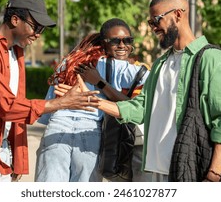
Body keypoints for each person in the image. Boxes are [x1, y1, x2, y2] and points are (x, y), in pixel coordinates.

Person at [81, 0, 221, 182]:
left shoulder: (213, 59)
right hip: (157, 169)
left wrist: (214, 174)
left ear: (178, 14)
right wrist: (94, 102)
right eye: (150, 23)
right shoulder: (160, 64)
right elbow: (140, 108)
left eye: (156, 20)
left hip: (193, 168)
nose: (153, 28)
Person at [0, 0, 99, 182]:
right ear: (15, 20)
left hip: (2, 154)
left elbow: (17, 106)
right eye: (36, 27)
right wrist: (61, 103)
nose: (38, 35)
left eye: (42, 29)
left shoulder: (14, 52)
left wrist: (17, 157)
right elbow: (8, 106)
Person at [35, 18, 149, 182]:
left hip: (57, 128)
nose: (122, 46)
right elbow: (151, 80)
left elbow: (47, 114)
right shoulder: (118, 66)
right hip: (90, 132)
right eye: (116, 41)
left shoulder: (68, 64)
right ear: (104, 44)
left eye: (127, 41)